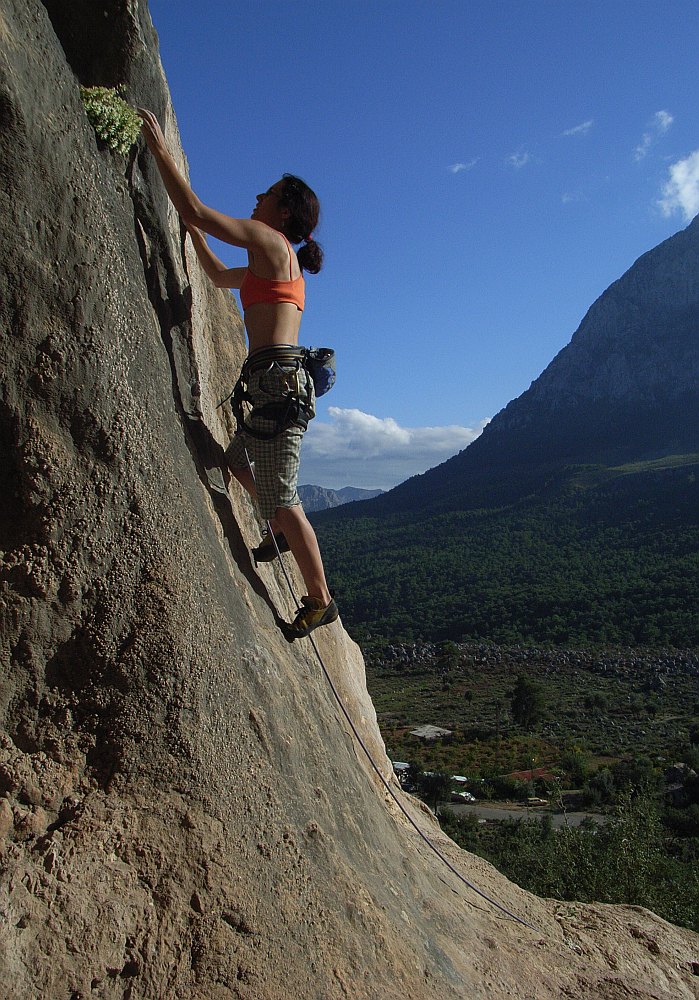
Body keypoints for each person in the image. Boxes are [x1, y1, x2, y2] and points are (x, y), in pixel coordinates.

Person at [138, 109, 338, 641]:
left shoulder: (270, 243)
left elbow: (201, 212)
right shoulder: (268, 262)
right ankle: (276, 531)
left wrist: (160, 153)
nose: (257, 196)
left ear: (284, 209)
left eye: (268, 193)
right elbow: (213, 271)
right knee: (234, 462)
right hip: (272, 384)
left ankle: (320, 600)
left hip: (277, 384)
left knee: (283, 495)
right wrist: (188, 236)